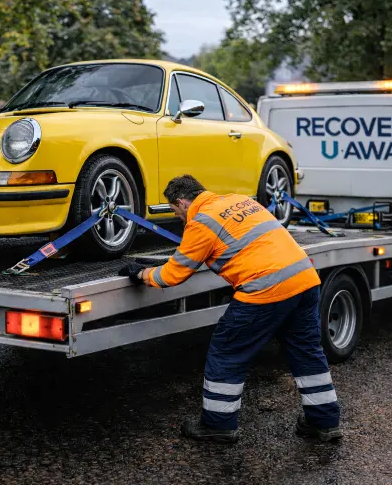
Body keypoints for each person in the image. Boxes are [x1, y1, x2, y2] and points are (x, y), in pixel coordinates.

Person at [118, 175, 342, 444]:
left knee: (227, 350)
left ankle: (218, 424)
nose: (178, 218)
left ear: (181, 202)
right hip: (305, 281)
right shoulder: (238, 200)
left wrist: (141, 274)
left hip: (266, 289)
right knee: (307, 352)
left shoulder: (201, 222)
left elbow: (173, 276)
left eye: (176, 211)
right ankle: (325, 423)